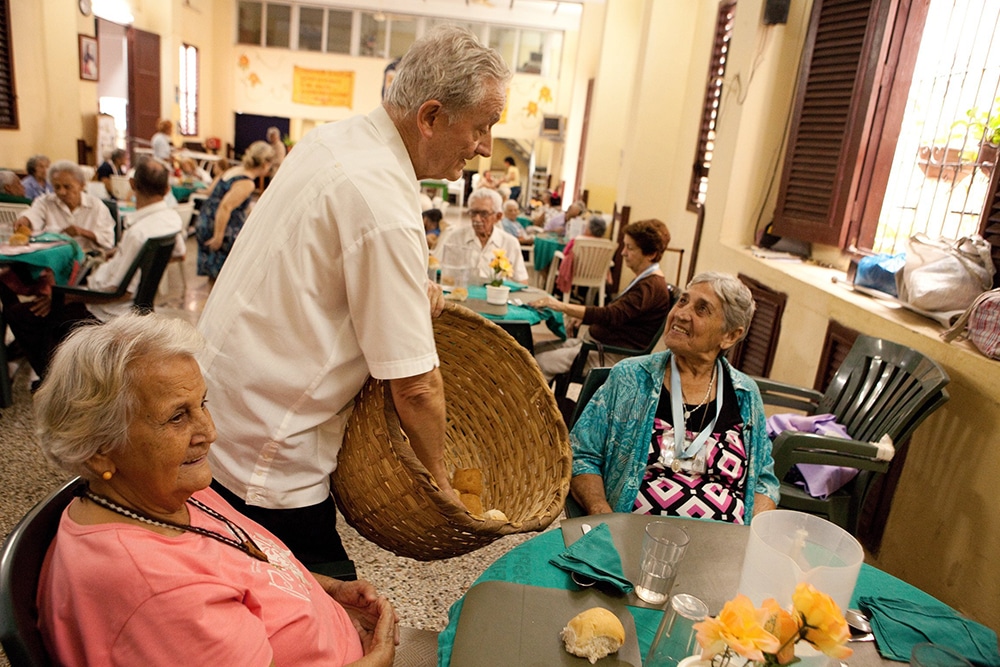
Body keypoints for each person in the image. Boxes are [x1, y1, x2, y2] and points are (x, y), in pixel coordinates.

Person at [196, 25, 510, 567]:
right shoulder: (384, 203)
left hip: (221, 402)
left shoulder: (334, 140)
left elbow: (327, 269)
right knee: (332, 605)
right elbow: (415, 387)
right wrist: (441, 485)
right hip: (267, 446)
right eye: (482, 128)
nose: (484, 149)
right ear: (431, 117)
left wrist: (411, 290)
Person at [35, 314, 398, 666]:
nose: (209, 432)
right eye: (177, 417)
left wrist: (329, 591)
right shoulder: (160, 592)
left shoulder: (162, 490)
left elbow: (244, 564)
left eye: (202, 404)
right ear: (100, 449)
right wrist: (377, 662)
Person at [569, 272, 780, 523]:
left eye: (702, 309)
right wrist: (602, 516)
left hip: (720, 549)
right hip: (632, 540)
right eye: (682, 301)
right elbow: (582, 456)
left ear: (730, 335)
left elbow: (764, 481)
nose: (681, 314)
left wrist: (750, 536)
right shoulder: (632, 378)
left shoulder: (745, 394)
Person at [4, 157, 185, 385]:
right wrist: (127, 257)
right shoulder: (169, 219)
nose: (62, 191)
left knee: (21, 314)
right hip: (126, 297)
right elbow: (179, 253)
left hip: (108, 308)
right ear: (167, 188)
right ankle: (61, 363)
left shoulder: (139, 232)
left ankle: (52, 378)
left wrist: (66, 297)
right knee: (45, 302)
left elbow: (121, 293)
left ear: (131, 184)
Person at [530, 218, 673, 383]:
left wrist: (561, 306)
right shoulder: (645, 281)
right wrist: (582, 316)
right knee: (533, 351)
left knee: (539, 363)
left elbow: (611, 315)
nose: (623, 252)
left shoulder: (650, 286)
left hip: (611, 355)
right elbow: (617, 313)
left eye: (630, 248)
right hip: (596, 344)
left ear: (651, 254)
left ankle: (535, 408)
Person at [195, 140, 274, 281]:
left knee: (213, 276)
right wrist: (218, 236)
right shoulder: (247, 182)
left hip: (207, 218)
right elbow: (226, 206)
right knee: (223, 277)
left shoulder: (235, 170)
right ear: (265, 163)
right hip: (220, 226)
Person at [16, 160, 116, 254]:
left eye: (67, 187)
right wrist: (25, 220)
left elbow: (108, 240)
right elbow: (33, 214)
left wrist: (83, 232)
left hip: (87, 260)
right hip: (54, 257)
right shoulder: (46, 202)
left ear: (82, 185)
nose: (61, 192)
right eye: (57, 187)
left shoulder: (96, 206)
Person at [433, 188, 528, 283]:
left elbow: (522, 281)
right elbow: (443, 274)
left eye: (484, 214)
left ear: (498, 216)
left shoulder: (509, 243)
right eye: (473, 213)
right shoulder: (456, 238)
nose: (477, 219)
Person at [555, 215, 608, 295]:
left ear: (589, 230)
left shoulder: (577, 240)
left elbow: (565, 252)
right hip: (595, 275)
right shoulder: (606, 244)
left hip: (574, 273)